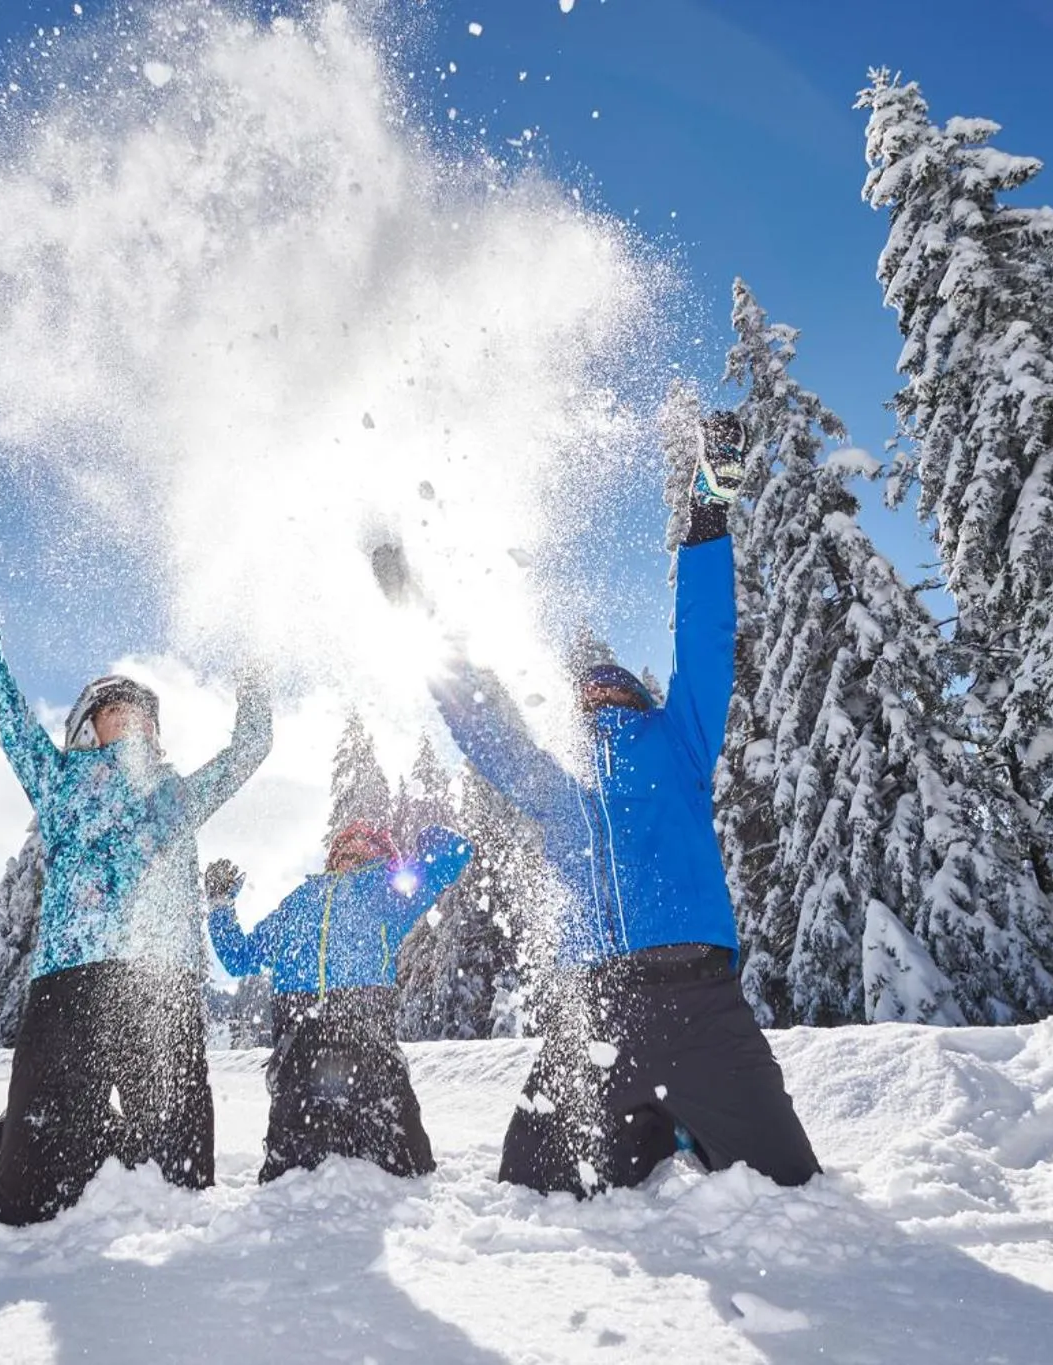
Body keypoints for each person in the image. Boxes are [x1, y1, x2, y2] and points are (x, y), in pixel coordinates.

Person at [385, 411, 819, 1195]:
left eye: (611, 679)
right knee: (528, 1189)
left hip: (700, 1004)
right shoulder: (560, 783)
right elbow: (484, 723)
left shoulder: (679, 737)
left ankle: (682, 1128)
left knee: (791, 1186)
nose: (598, 689)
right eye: (586, 686)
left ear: (635, 690)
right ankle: (656, 1138)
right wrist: (414, 608)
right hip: (595, 1017)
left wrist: (709, 510)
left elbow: (706, 640)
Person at [0, 571, 273, 1225]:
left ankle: (95, 1134)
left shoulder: (177, 793)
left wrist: (254, 674)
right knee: (22, 1203)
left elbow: (250, 748)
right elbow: (6, 710)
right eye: (118, 709)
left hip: (161, 988)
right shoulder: (57, 779)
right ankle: (6, 1145)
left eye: (143, 711)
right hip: (70, 983)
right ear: (90, 725)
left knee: (182, 1185)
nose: (134, 717)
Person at [206, 819, 472, 1181]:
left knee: (404, 1161)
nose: (352, 849)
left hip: (364, 1031)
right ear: (332, 855)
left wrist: (430, 840)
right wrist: (220, 905)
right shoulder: (299, 902)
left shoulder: (388, 892)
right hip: (300, 1040)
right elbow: (239, 957)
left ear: (383, 856)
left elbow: (454, 855)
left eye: (366, 844)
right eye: (345, 844)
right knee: (290, 1172)